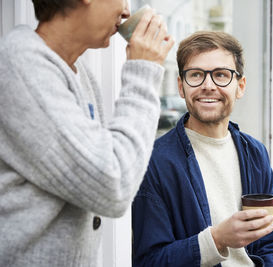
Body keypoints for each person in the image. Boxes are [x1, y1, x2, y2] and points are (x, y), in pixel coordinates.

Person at [0, 0, 174, 266]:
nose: (127, 10)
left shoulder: (79, 76)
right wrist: (143, 71)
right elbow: (112, 184)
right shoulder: (20, 66)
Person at [132, 31, 273, 266]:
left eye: (221, 75)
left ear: (240, 86)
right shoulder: (154, 161)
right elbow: (150, 261)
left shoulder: (255, 153)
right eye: (196, 75)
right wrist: (217, 239)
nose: (208, 85)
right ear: (181, 86)